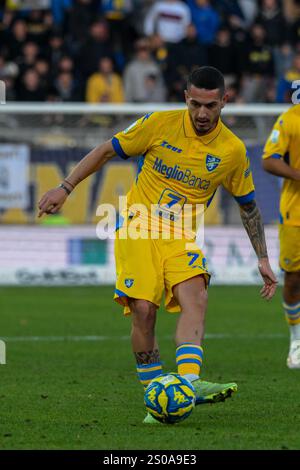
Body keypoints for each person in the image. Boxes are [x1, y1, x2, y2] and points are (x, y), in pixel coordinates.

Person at [38, 66, 277, 423]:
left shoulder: (232, 151)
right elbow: (106, 150)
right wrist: (65, 187)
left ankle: (187, 385)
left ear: (225, 101)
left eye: (210, 106)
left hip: (182, 235)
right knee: (144, 312)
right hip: (137, 226)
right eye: (195, 104)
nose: (201, 114)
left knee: (197, 295)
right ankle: (156, 395)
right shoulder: (158, 124)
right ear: (186, 98)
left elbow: (249, 206)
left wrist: (262, 257)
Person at [262, 105, 300, 368]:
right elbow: (269, 159)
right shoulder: (291, 118)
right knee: (294, 279)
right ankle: (296, 341)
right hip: (296, 213)